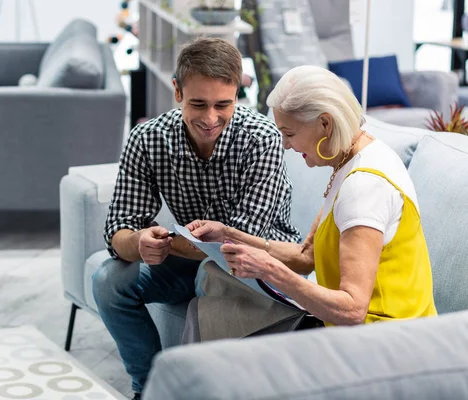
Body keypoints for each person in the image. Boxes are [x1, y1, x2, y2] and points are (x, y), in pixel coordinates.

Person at [92, 37, 301, 400]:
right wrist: (138, 244)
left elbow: (238, 242)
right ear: (177, 91)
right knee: (108, 280)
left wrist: (168, 244)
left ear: (239, 92)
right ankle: (151, 388)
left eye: (223, 104)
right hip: (194, 258)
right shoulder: (148, 139)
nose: (210, 118)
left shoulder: (261, 138)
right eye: (198, 104)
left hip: (258, 266)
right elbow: (119, 228)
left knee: (211, 272)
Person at [186, 65, 437, 333]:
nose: (284, 145)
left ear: (325, 123)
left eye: (290, 133)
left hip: (385, 339)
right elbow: (307, 256)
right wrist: (227, 234)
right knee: (210, 289)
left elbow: (352, 309)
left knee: (208, 316)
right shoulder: (351, 161)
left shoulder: (364, 186)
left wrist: (269, 270)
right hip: (357, 328)